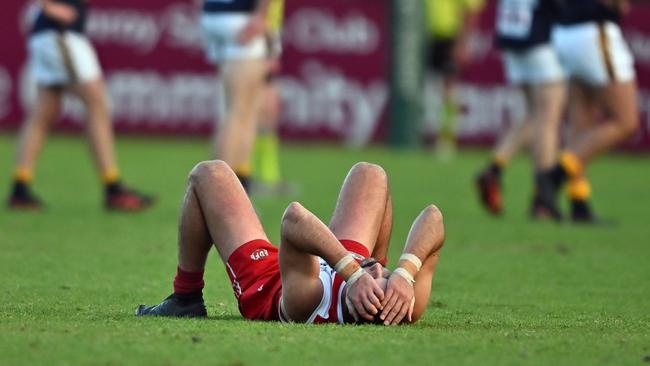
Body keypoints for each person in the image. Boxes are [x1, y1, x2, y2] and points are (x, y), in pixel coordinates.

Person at [136, 161, 445, 325]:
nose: (378, 271)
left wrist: (353, 274)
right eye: (384, 274)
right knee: (371, 174)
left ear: (359, 302)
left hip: (272, 275)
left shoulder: (309, 300)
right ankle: (362, 265)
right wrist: (404, 273)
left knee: (208, 174)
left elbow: (294, 219)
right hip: (336, 260)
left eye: (378, 278)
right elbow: (434, 219)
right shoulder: (403, 302)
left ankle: (185, 299)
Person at [7, 0, 154, 211]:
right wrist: (48, 6)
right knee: (97, 104)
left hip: (49, 34)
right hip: (60, 33)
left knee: (44, 111)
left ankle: (20, 187)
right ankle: (113, 187)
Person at [536, 0, 639, 222]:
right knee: (626, 121)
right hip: (593, 30)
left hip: (564, 31)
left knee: (582, 124)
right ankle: (554, 176)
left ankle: (578, 202)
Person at [476, 0, 566, 218]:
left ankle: (495, 167)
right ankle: (543, 199)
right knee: (548, 120)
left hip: (512, 38)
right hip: (540, 39)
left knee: (534, 116)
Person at [200, 0, 272, 192]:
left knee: (239, 110)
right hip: (240, 16)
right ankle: (215, 191)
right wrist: (261, 15)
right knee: (239, 113)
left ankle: (239, 187)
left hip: (212, 14)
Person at [424, 0, 485, 159]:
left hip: (449, 37)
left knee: (448, 90)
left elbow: (471, 11)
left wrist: (463, 43)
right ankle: (429, 135)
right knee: (431, 89)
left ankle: (446, 139)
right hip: (424, 35)